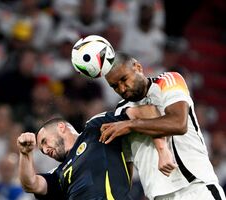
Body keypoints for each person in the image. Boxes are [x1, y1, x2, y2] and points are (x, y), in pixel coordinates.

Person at [99, 52, 226, 200]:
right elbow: (127, 163)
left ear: (138, 67)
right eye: (115, 86)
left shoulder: (168, 81)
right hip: (157, 196)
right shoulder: (120, 112)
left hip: (195, 188)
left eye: (124, 79)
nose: (122, 89)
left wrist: (131, 124)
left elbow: (178, 123)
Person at [17, 108, 164, 200]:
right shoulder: (58, 174)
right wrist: (25, 154)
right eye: (42, 150)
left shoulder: (94, 129)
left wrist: (163, 151)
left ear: (61, 127)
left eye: (44, 141)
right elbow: (31, 184)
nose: (45, 150)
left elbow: (146, 111)